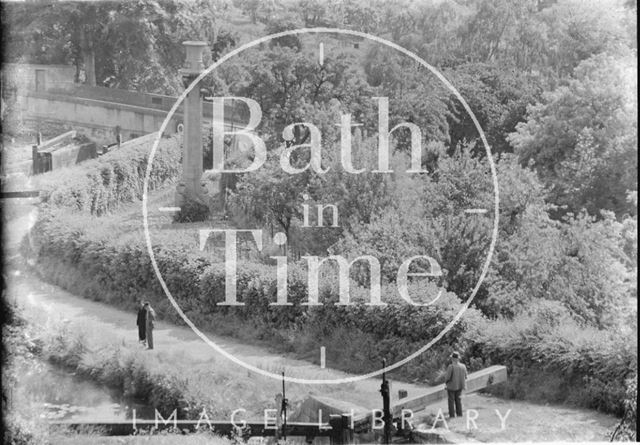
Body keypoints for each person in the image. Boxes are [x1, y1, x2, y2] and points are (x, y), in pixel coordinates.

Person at [444, 351, 467, 418]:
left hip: (451, 386)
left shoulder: (451, 366)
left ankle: (452, 415)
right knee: (458, 401)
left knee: (451, 401)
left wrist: (446, 383)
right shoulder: (463, 366)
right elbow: (466, 376)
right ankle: (459, 414)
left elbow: (447, 377)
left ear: (453, 359)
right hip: (460, 386)